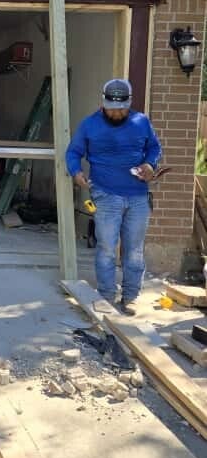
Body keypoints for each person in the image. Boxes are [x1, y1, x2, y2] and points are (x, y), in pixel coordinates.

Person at [65, 78, 162, 315]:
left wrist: (150, 164)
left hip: (138, 195)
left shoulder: (141, 122)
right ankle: (106, 296)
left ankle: (130, 297)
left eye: (121, 109)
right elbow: (73, 152)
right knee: (107, 248)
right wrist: (76, 173)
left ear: (129, 103)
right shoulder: (89, 125)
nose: (116, 113)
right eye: (112, 108)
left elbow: (154, 148)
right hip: (105, 194)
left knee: (134, 250)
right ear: (103, 103)